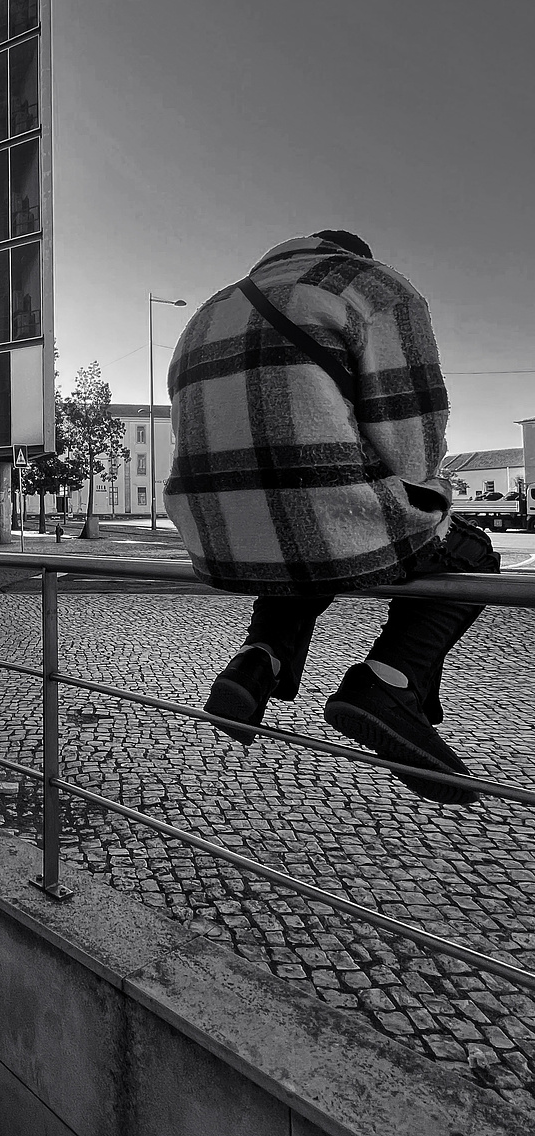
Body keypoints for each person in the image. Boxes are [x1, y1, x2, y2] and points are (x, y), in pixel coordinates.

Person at [165, 229, 500, 804]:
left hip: (218, 537)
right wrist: (428, 493)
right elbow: (411, 440)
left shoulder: (210, 308)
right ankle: (387, 681)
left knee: (303, 538)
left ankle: (258, 661)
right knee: (471, 551)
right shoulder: (372, 288)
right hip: (304, 521)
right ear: (352, 257)